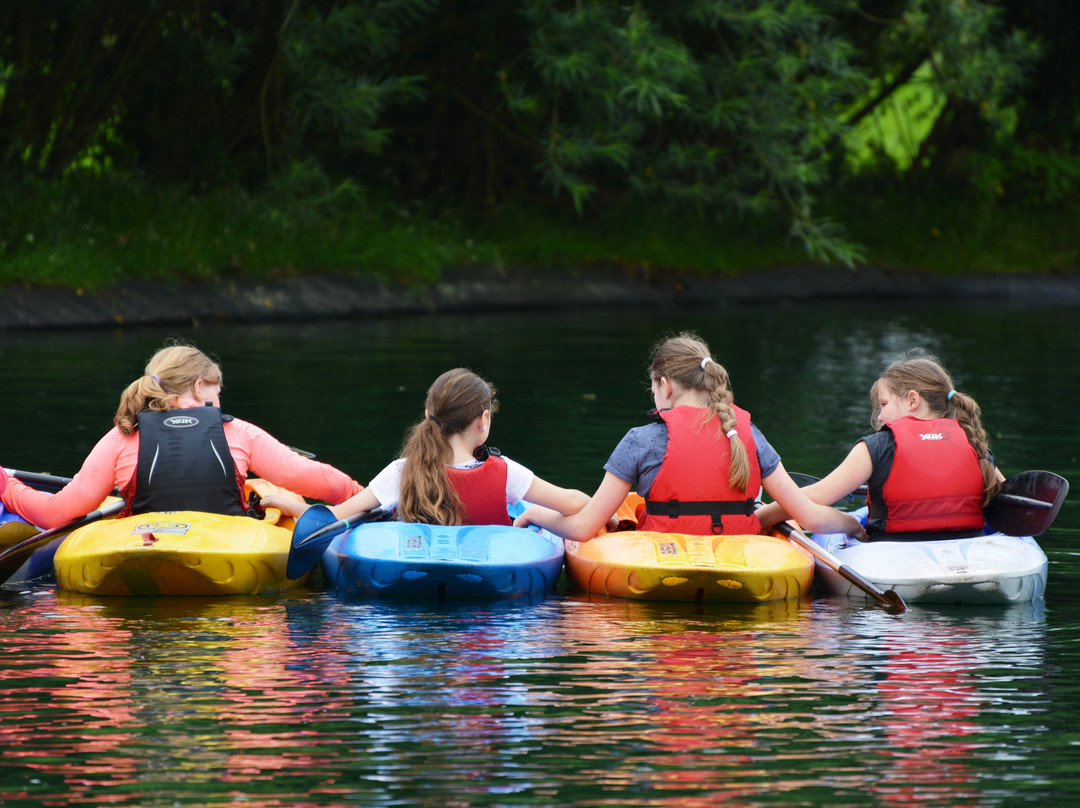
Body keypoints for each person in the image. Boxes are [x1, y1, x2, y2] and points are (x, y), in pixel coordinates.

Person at [512, 332, 866, 541]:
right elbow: (812, 518)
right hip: (740, 557)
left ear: (664, 386)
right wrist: (856, 526)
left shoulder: (641, 439)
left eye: (653, 388)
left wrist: (534, 516)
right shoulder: (746, 434)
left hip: (659, 558)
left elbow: (583, 527)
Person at [0, 341, 364, 529]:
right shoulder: (236, 431)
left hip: (142, 543)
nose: (219, 401)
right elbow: (320, 482)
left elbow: (55, 514)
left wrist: (6, 486)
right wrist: (365, 497)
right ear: (200, 385)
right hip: (228, 547)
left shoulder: (122, 436)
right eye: (217, 392)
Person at [264, 367, 594, 526]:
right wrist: (592, 508)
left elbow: (334, 518)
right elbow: (572, 503)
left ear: (427, 414)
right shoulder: (506, 473)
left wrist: (290, 505)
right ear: (483, 419)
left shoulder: (403, 472)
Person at [756, 351, 1004, 539]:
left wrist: (759, 517)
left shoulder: (878, 446)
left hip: (891, 558)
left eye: (884, 405)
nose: (880, 418)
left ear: (912, 400)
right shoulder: (973, 440)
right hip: (970, 551)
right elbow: (1008, 501)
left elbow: (815, 502)